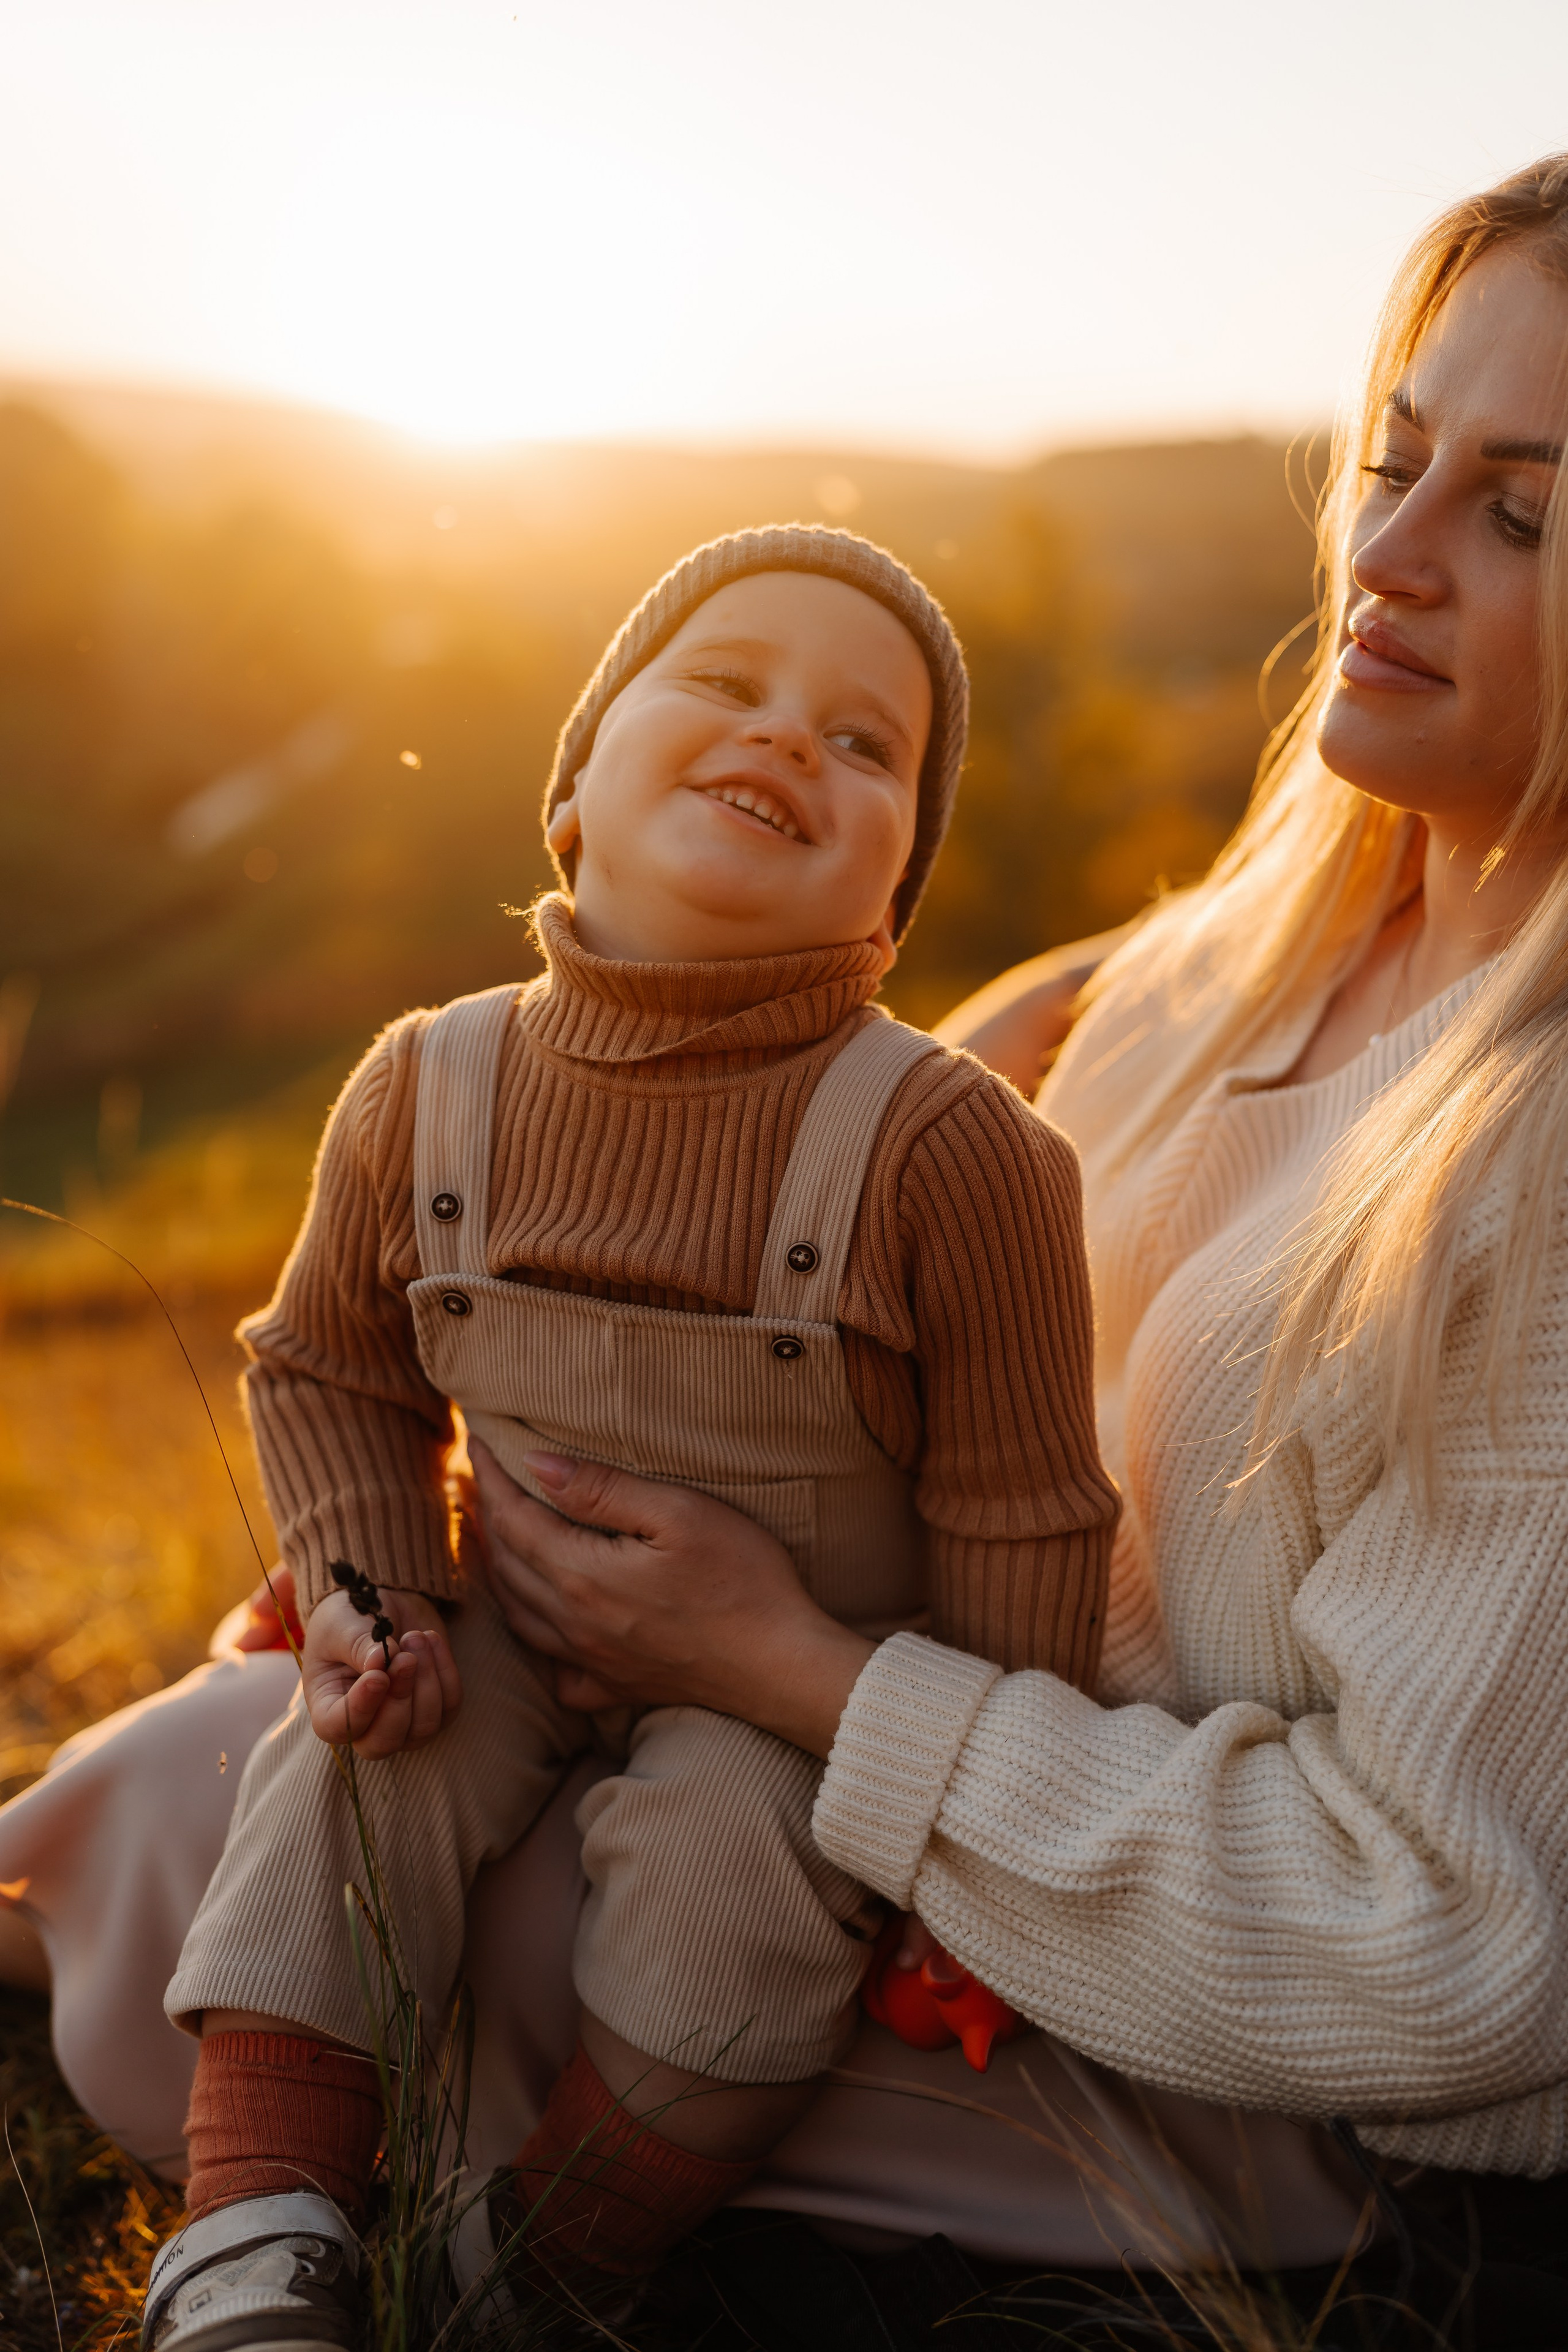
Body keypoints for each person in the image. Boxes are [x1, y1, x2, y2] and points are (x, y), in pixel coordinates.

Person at [4, 145, 1567, 2351]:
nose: (1388, 559)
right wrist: (402, 1525)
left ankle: (514, 2261)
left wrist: (805, 1678)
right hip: (878, 1750)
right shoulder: (1254, 940)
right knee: (309, 1732)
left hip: (1160, 2008)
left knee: (254, 1824)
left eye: (1519, 509)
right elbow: (807, 1134)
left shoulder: (1536, 1155)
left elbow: (1460, 1945)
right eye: (1397, 460)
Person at [138, 524, 1118, 2350]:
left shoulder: (954, 1151)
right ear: (574, 777)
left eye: (864, 744)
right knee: (350, 1768)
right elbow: (331, 1364)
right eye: (729, 685)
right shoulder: (429, 1081)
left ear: (894, 894)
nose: (787, 740)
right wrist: (361, 1584)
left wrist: (977, 1852)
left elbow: (1021, 1513)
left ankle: (545, 2264)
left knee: (745, 1897)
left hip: (795, 1682)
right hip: (500, 1609)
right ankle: (257, 2237)